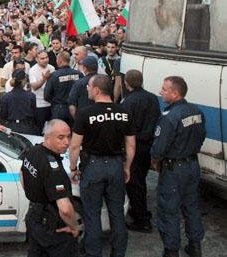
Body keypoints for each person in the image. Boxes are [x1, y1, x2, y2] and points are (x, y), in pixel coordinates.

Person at [69, 74, 135, 257]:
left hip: (93, 167)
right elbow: (130, 145)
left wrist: (73, 168)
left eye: (89, 87)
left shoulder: (85, 113)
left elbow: (74, 145)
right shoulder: (124, 112)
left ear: (97, 90)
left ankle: (94, 253)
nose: (87, 89)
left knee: (92, 215)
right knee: (117, 215)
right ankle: (118, 253)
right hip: (115, 166)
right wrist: (127, 166)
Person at [151, 76, 206, 257]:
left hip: (174, 169)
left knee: (168, 209)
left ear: (175, 94)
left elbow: (159, 148)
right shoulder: (196, 111)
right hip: (192, 165)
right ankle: (195, 245)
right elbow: (202, 135)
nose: (161, 92)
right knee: (191, 206)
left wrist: (156, 161)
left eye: (164, 89)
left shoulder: (169, 117)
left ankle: (171, 250)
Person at [21, 120, 81, 256]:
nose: (67, 142)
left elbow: (22, 174)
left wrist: (36, 196)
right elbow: (65, 209)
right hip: (53, 228)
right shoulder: (54, 169)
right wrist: (74, 227)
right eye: (61, 137)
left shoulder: (33, 151)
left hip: (34, 218)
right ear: (47, 137)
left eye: (69, 136)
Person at [120, 69, 161, 233]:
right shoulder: (152, 98)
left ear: (126, 83)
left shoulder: (128, 101)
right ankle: (139, 211)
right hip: (148, 145)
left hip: (134, 146)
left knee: (134, 183)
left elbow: (125, 127)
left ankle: (142, 220)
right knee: (141, 180)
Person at [44, 51, 82, 127]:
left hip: (59, 109)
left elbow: (46, 95)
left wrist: (55, 102)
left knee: (59, 132)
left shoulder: (54, 75)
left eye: (57, 60)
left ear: (60, 60)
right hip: (75, 108)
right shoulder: (79, 74)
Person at [0, 69, 39, 134]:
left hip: (11, 128)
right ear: (24, 80)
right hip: (27, 128)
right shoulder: (31, 96)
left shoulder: (6, 97)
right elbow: (35, 115)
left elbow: (2, 116)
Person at [29, 51, 55, 131]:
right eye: (42, 58)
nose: (45, 60)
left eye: (46, 57)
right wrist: (44, 79)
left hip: (51, 103)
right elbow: (34, 87)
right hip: (39, 105)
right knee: (39, 128)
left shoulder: (51, 68)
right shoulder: (32, 70)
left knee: (52, 129)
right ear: (37, 59)